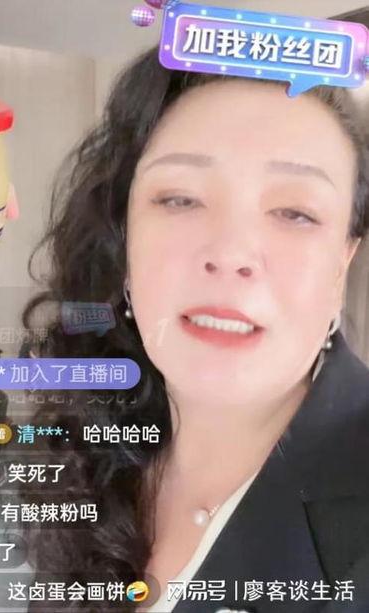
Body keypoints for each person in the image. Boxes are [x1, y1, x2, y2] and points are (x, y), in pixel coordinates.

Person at [19, 45, 369, 613]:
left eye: (296, 213)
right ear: (123, 241)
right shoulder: (89, 453)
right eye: (180, 199)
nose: (231, 254)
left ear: (341, 263)